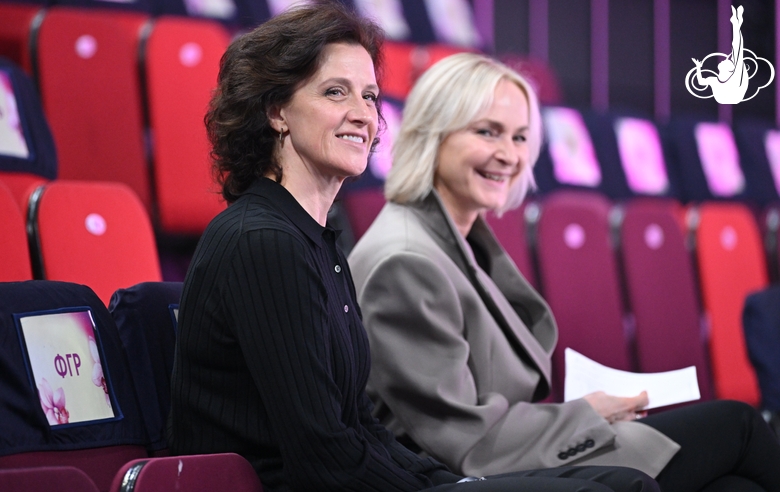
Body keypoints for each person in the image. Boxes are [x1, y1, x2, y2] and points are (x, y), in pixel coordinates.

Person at [167, 2, 661, 492]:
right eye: (336, 93)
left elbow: (361, 427)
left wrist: (456, 484)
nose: (363, 115)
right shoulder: (264, 242)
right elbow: (324, 455)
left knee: (623, 483)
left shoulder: (314, 240)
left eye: (370, 96)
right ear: (277, 111)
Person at [348, 52, 780, 492]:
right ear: (431, 136)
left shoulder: (456, 235)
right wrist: (589, 412)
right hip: (476, 471)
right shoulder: (406, 260)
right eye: (487, 132)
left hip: (516, 448)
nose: (509, 155)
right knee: (738, 424)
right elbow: (465, 437)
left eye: (519, 138)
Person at [692, 5, 748, 104]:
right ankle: (736, 23)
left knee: (737, 51)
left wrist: (736, 25)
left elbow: (737, 48)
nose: (725, 59)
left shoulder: (734, 78)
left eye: (728, 61)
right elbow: (701, 82)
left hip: (733, 96)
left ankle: (736, 23)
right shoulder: (714, 80)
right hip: (727, 97)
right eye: (728, 60)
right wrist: (698, 67)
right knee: (737, 52)